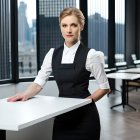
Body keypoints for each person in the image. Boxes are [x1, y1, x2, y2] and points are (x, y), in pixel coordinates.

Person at [7, 7, 110, 140]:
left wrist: (83, 103)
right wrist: (25, 94)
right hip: (63, 116)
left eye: (73, 25)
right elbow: (39, 82)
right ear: (60, 27)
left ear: (81, 26)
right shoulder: (52, 54)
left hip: (85, 117)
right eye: (64, 25)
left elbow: (105, 87)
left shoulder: (91, 55)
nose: (68, 30)